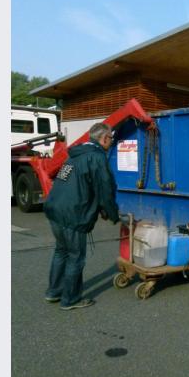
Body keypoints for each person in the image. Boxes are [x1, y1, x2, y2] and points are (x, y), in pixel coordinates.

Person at [44, 123, 119, 311]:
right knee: (76, 257)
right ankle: (70, 299)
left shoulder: (74, 157)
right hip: (73, 215)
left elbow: (72, 182)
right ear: (103, 139)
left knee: (61, 251)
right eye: (111, 138)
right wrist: (113, 215)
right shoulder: (97, 157)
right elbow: (105, 189)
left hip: (55, 210)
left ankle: (54, 292)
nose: (112, 141)